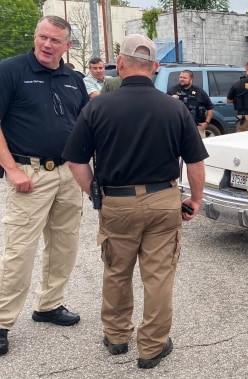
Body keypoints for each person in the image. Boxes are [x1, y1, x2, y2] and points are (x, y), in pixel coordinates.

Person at [62, 34, 208, 369]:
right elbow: (196, 163)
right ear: (155, 68)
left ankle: (116, 337)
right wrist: (196, 199)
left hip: (118, 202)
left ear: (121, 64)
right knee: (158, 277)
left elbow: (75, 160)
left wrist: (94, 193)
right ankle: (152, 348)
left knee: (116, 271)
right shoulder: (175, 108)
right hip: (163, 201)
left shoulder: (97, 106)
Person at [0, 15, 89, 357]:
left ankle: (49, 306)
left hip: (68, 173)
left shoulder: (73, 79)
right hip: (29, 175)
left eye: (55, 40)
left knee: (64, 245)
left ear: (68, 46)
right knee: (19, 250)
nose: (47, 45)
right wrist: (11, 169)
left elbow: (84, 124)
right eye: (43, 37)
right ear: (35, 37)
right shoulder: (10, 71)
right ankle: (2, 322)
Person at [168, 70, 214, 138]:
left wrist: (206, 123)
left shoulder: (199, 92)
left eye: (184, 78)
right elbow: (164, 106)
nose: (182, 79)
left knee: (198, 148)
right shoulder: (173, 90)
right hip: (178, 127)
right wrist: (171, 99)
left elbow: (210, 108)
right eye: (180, 77)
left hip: (196, 127)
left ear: (191, 80)